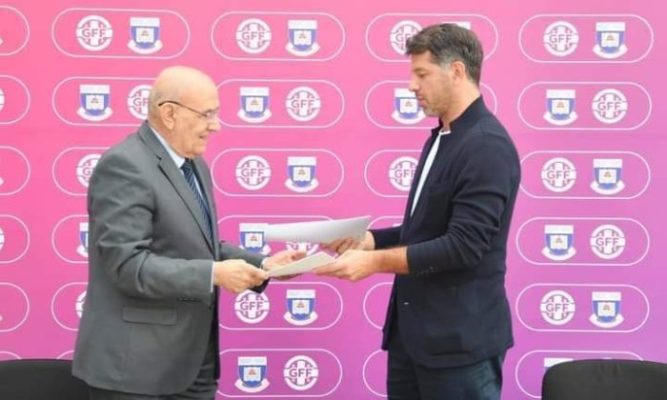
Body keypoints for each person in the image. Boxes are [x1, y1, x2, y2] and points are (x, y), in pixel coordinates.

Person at [315, 24, 521, 399]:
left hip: (459, 348)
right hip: (413, 340)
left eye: (422, 74)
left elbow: (463, 246)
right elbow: (427, 230)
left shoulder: (486, 146)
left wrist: (373, 262)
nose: (412, 86)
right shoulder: (443, 137)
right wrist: (368, 241)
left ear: (456, 71)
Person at [72, 66, 303, 400]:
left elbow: (199, 246)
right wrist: (213, 274)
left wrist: (264, 265)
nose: (216, 125)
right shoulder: (125, 166)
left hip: (192, 365)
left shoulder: (194, 165)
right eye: (206, 114)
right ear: (169, 114)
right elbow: (127, 266)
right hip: (136, 372)